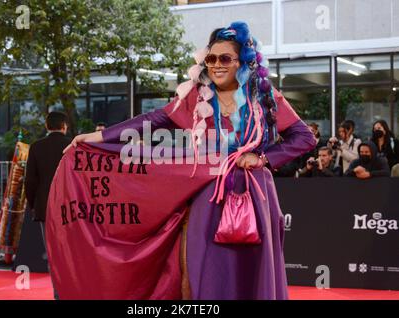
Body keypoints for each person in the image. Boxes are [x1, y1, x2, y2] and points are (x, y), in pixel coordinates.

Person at [62, 21, 316, 300]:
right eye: (210, 59)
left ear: (242, 62)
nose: (216, 65)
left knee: (254, 274)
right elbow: (153, 120)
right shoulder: (196, 99)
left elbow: (304, 137)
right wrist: (100, 137)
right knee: (205, 268)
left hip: (256, 196)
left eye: (225, 58)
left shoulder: (264, 97)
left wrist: (263, 158)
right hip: (207, 195)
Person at [24, 111, 71, 299]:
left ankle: (58, 294)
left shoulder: (36, 147)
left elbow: (30, 181)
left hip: (45, 206)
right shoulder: (73, 145)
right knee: (72, 251)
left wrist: (32, 204)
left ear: (47, 126)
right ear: (64, 126)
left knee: (53, 253)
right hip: (71, 205)